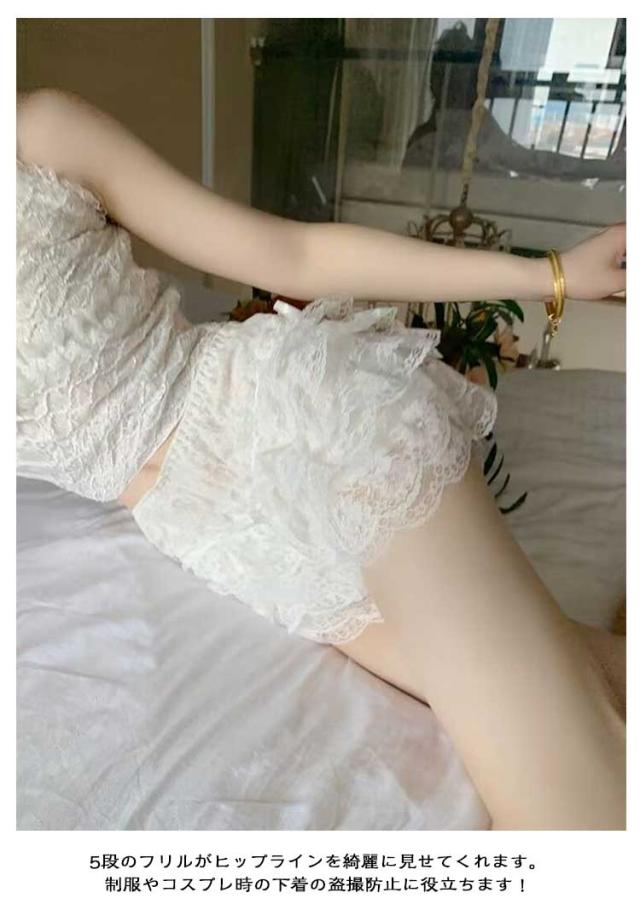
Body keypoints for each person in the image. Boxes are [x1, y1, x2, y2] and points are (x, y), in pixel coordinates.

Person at [17, 87, 626, 831]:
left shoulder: (36, 131)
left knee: (565, 819)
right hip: (217, 532)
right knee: (574, 685)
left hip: (304, 423)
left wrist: (550, 275)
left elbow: (293, 255)